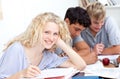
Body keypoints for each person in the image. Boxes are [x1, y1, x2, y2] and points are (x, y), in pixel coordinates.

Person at [0, 12, 86, 79]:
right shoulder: (17, 49)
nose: (51, 38)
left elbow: (81, 65)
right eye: (46, 32)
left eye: (55, 34)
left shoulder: (48, 56)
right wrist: (21, 74)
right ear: (36, 32)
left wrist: (60, 42)